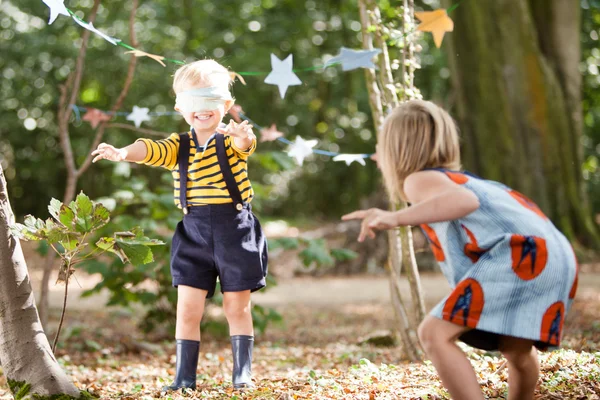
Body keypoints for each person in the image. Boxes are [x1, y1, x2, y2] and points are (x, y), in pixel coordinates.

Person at [342, 100, 578, 400]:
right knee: (516, 351)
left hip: (523, 255)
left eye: (381, 148)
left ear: (395, 152)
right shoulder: (456, 179)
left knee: (433, 333)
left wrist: (393, 218)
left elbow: (466, 202)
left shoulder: (418, 180)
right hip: (556, 254)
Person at [91, 59, 268, 392]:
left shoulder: (230, 140)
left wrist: (243, 136)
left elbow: (245, 145)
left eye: (209, 102)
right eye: (193, 103)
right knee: (187, 309)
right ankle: (184, 378)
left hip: (234, 228)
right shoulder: (179, 146)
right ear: (180, 107)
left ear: (225, 105)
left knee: (236, 305)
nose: (202, 111)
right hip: (194, 232)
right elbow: (150, 148)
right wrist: (122, 152)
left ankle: (242, 374)